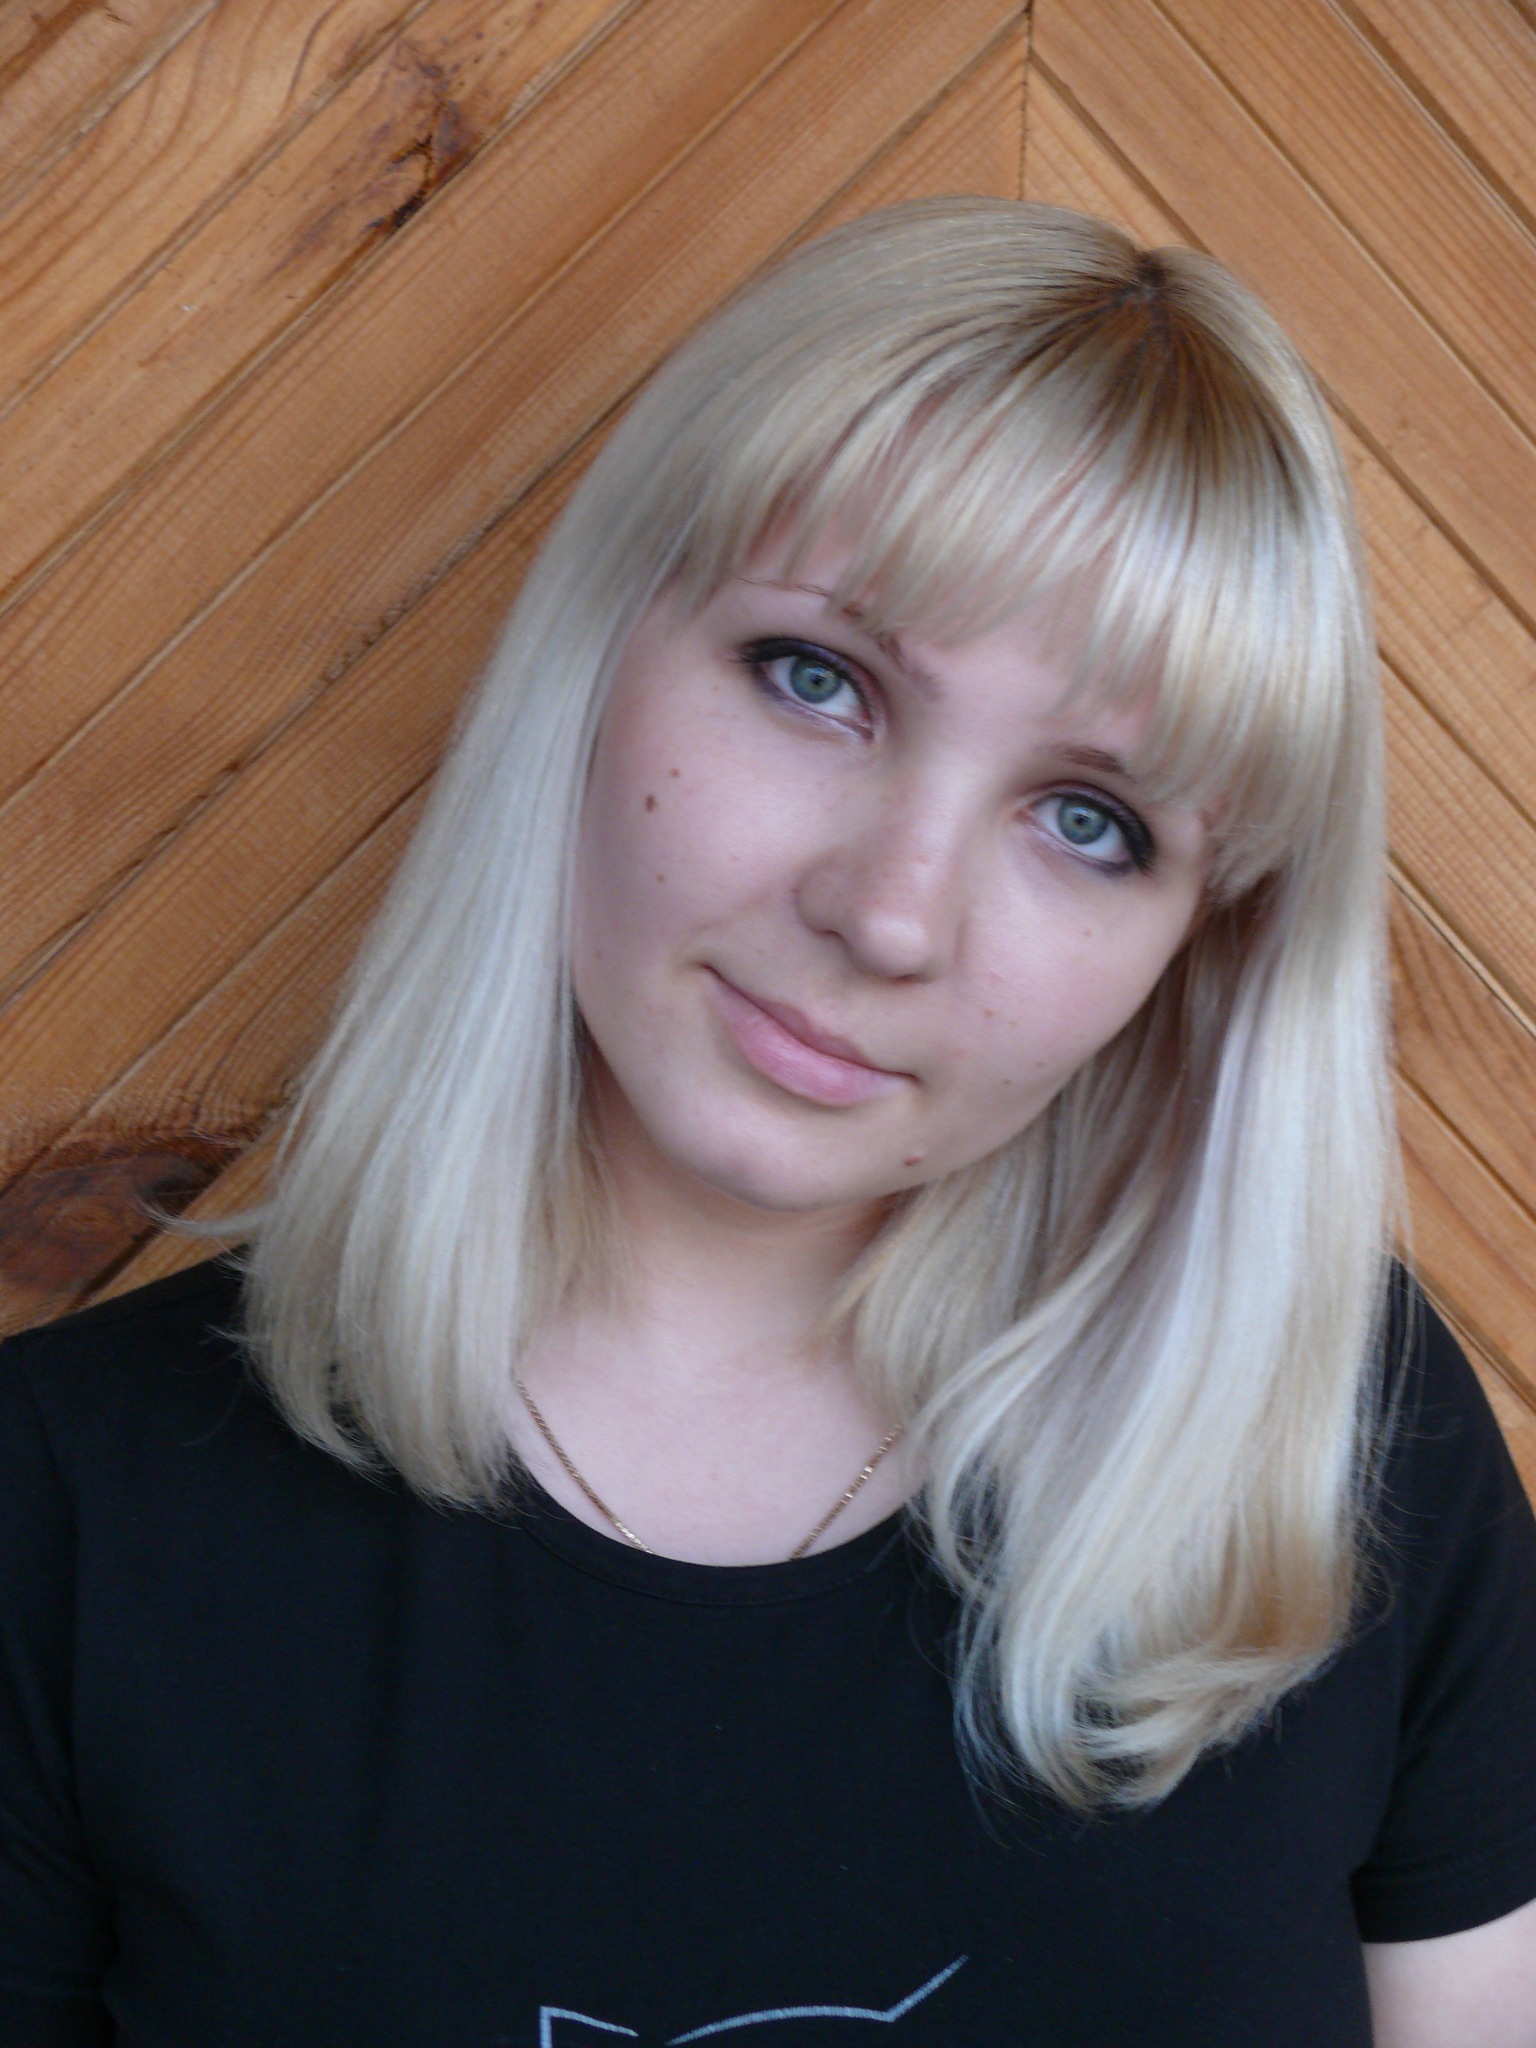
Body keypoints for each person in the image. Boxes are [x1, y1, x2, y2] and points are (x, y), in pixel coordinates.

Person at [2, 197, 1534, 2048]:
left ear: (1197, 949)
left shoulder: (1337, 1443)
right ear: (597, 649)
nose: (889, 914)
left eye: (1090, 821)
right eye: (821, 680)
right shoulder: (57, 1516)